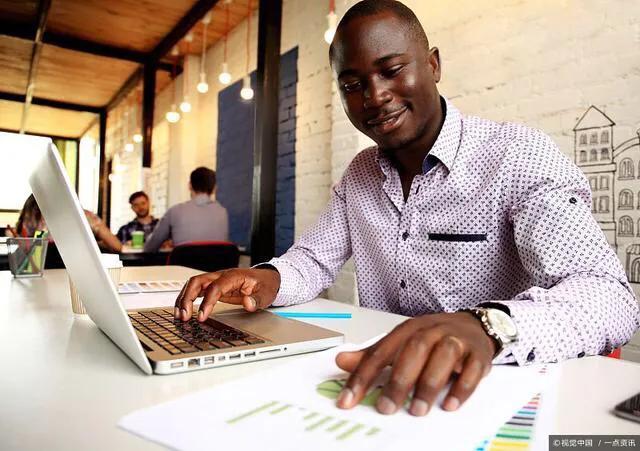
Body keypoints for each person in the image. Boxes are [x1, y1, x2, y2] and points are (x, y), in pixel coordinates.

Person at [175, 0, 640, 418]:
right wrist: (263, 279)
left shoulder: (516, 156)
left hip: (493, 392)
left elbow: (610, 297)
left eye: (392, 70)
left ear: (433, 65)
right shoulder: (360, 174)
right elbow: (313, 261)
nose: (374, 96)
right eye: (352, 84)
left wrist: (487, 326)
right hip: (385, 388)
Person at [144, 167, 229, 252]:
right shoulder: (223, 212)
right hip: (217, 261)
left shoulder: (175, 211)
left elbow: (150, 247)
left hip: (183, 261)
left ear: (189, 185)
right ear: (214, 189)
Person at [9, 194, 122, 253]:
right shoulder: (84, 216)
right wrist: (92, 243)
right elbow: (117, 246)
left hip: (39, 272)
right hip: (77, 275)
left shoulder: (33, 208)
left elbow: (25, 245)